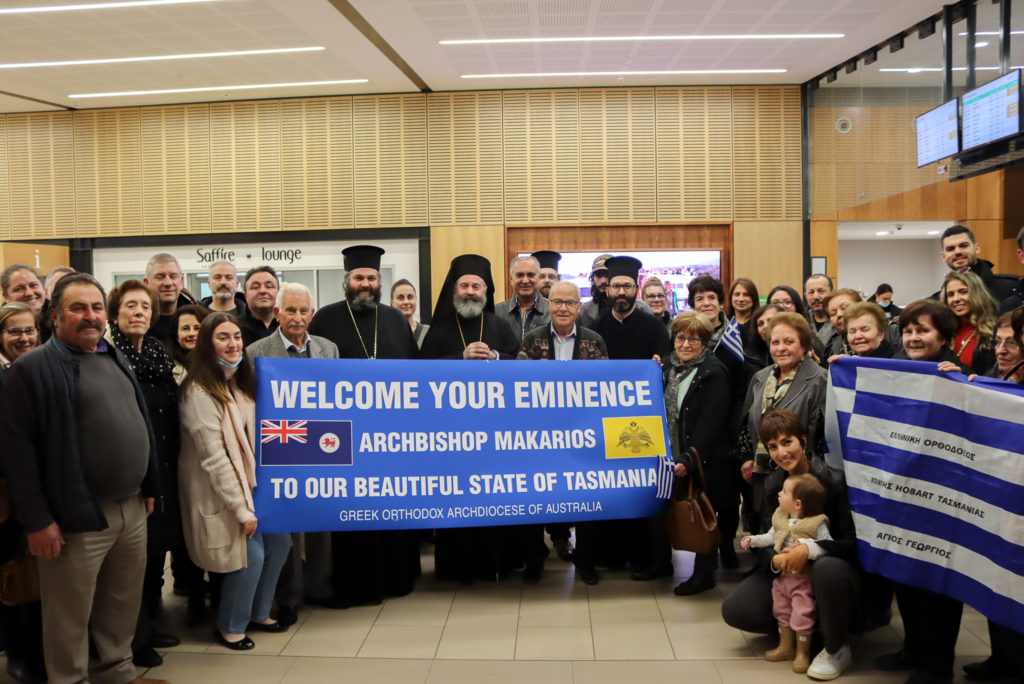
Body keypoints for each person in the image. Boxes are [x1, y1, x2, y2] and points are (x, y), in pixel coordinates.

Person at [0, 273, 166, 684]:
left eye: (95, 307)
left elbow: (139, 423)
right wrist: (37, 520)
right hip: (73, 517)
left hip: (130, 509)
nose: (90, 316)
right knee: (68, 615)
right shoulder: (31, 369)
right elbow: (16, 453)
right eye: (78, 308)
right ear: (53, 316)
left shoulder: (113, 355)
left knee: (121, 604)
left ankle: (117, 672)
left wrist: (148, 486)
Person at [309, 246, 420, 604]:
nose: (365, 284)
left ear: (379, 281)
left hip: (393, 436)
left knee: (392, 508)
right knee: (354, 515)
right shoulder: (324, 319)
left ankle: (396, 579)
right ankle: (356, 584)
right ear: (347, 281)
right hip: (346, 438)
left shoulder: (395, 319)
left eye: (372, 278)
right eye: (359, 277)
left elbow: (415, 376)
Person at [178, 312, 291, 651]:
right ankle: (230, 625)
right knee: (251, 556)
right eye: (223, 338)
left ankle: (258, 612)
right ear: (207, 344)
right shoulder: (198, 393)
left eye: (237, 337)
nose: (233, 344)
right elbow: (215, 460)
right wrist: (242, 510)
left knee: (281, 544)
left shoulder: (240, 384)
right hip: (219, 491)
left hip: (253, 485)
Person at [723, 410, 859, 682]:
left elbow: (851, 544)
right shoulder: (774, 484)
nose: (781, 453)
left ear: (804, 440)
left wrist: (809, 550)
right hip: (788, 576)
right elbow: (768, 537)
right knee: (736, 609)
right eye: (773, 446)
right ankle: (801, 631)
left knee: (828, 570)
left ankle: (837, 646)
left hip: (832, 571)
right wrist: (776, 559)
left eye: (787, 442)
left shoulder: (834, 481)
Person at [421, 254, 522, 583]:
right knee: (456, 500)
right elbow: (422, 376)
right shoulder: (439, 330)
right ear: (454, 290)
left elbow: (520, 367)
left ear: (486, 291)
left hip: (496, 434)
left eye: (476, 286)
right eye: (463, 285)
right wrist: (459, 359)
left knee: (495, 498)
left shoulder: (499, 326)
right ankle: (454, 570)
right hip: (451, 436)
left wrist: (495, 357)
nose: (469, 291)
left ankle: (499, 563)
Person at [246, 282, 341, 624]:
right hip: (280, 447)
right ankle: (288, 596)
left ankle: (319, 586)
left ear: (312, 314)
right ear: (277, 313)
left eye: (303, 311)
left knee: (321, 521)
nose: (297, 318)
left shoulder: (329, 349)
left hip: (324, 445)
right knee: (287, 528)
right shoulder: (257, 351)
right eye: (290, 310)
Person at [105, 280, 184, 669]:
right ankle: (132, 640)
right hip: (135, 474)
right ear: (115, 314)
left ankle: (149, 626)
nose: (139, 312)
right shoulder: (109, 356)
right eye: (131, 306)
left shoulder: (156, 351)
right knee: (132, 565)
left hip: (166, 468)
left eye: (145, 307)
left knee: (156, 558)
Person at [581, 256, 670, 583]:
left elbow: (666, 371)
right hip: (600, 423)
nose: (621, 291)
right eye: (616, 285)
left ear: (636, 289)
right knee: (603, 487)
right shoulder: (593, 328)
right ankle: (603, 556)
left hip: (641, 425)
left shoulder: (655, 327)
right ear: (607, 289)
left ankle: (643, 556)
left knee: (639, 489)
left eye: (627, 286)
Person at [516, 281, 609, 579]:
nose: (563, 308)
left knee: (587, 499)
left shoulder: (594, 341)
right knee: (534, 497)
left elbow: (605, 389)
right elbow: (519, 389)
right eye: (557, 302)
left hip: (584, 435)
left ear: (579, 307)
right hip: (540, 436)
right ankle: (533, 558)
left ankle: (586, 561)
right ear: (549, 304)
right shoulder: (532, 339)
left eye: (570, 303)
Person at [660, 312, 732, 596]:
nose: (686, 344)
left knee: (702, 514)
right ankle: (661, 564)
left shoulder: (714, 371)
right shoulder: (666, 366)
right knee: (669, 512)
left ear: (704, 342)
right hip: (669, 455)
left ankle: (704, 574)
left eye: (694, 339)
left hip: (704, 459)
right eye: (681, 337)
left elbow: (712, 422)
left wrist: (690, 457)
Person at [738, 313, 828, 526]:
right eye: (775, 342)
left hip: (802, 478)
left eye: (789, 341)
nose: (781, 348)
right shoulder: (760, 377)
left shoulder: (820, 380)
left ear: (804, 344)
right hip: (762, 474)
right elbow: (746, 421)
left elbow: (824, 435)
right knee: (767, 534)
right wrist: (746, 458)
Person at [742, 473, 832, 674]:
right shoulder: (781, 517)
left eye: (784, 492)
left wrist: (807, 547)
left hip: (804, 581)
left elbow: (827, 546)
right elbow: (771, 537)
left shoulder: (817, 523)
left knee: (802, 614)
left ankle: (802, 652)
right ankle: (786, 646)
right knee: (781, 610)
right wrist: (753, 540)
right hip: (782, 579)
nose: (779, 494)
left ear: (798, 503)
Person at [0, 302, 46, 683]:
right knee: (14, 578)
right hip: (7, 498)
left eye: (29, 330)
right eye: (14, 331)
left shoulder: (42, 371)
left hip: (46, 493)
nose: (24, 338)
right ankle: (17, 653)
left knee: (43, 579)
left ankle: (40, 649)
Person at [931, 225, 1016, 305]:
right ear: (943, 256)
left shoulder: (1010, 288)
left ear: (977, 248)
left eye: (964, 246)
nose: (958, 252)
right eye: (950, 249)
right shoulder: (936, 303)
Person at [941, 270, 997, 374]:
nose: (956, 299)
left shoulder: (994, 331)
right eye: (951, 294)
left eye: (963, 292)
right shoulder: (945, 332)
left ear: (978, 294)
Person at [894, 299, 971, 373]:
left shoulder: (964, 375)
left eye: (923, 330)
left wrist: (958, 382)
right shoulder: (894, 368)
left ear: (943, 337)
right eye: (908, 332)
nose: (913, 338)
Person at [145, 252, 198, 343]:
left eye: (173, 276)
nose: (168, 283)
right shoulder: (139, 321)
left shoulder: (198, 317)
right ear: (146, 283)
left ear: (181, 282)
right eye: (160, 277)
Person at [496, 255, 549, 340]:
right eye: (519, 275)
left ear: (539, 278)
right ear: (511, 279)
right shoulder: (497, 312)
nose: (525, 280)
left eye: (530, 275)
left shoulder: (552, 310)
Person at [1, 264, 50, 343]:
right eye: (19, 289)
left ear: (44, 289)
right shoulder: (2, 324)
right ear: (6, 296)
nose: (29, 293)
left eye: (33, 285)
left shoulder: (59, 319)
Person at [169, 304, 210, 385]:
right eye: (185, 328)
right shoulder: (169, 368)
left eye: (197, 328)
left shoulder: (219, 364)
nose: (191, 333)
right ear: (176, 335)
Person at [238, 266, 279, 346]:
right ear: (246, 295)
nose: (263, 291)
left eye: (269, 286)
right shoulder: (235, 326)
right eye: (255, 287)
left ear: (279, 293)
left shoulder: (290, 325)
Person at [822, 289, 861, 359]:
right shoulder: (831, 343)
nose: (839, 314)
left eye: (844, 308)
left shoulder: (878, 336)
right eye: (833, 313)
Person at [390, 279, 429, 347]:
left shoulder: (427, 332)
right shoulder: (385, 332)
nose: (406, 302)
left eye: (410, 297)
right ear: (392, 302)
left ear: (416, 299)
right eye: (400, 298)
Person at [804, 274, 834, 347]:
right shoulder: (801, 320)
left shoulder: (839, 320)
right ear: (805, 296)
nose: (816, 297)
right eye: (811, 292)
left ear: (832, 293)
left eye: (821, 291)